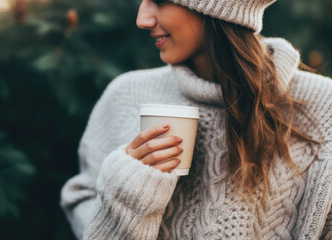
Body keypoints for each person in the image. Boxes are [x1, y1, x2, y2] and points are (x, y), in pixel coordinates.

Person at [60, 0, 332, 239]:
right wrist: (127, 196)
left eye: (159, 0)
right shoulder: (126, 95)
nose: (142, 20)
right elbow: (82, 196)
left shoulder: (325, 108)